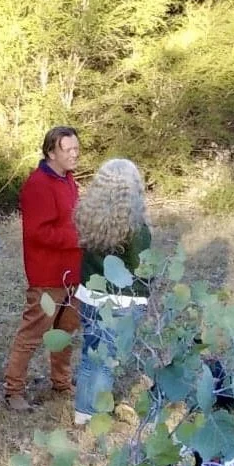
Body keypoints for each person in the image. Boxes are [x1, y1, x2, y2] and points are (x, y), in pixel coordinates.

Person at [3, 126, 82, 412]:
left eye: (76, 148)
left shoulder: (69, 180)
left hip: (73, 271)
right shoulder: (38, 184)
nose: (75, 154)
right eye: (68, 149)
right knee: (33, 333)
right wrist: (80, 236)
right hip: (48, 275)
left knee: (66, 330)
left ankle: (62, 382)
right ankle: (14, 391)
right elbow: (38, 233)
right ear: (51, 152)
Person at [70, 158, 153, 427]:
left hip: (91, 294)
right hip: (123, 299)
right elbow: (143, 269)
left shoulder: (88, 215)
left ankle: (83, 411)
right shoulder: (136, 227)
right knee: (106, 361)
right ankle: (97, 414)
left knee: (89, 353)